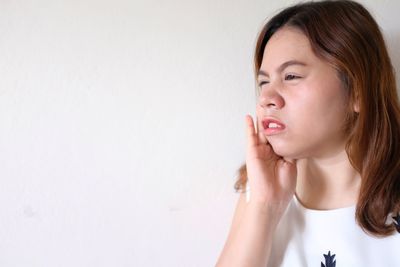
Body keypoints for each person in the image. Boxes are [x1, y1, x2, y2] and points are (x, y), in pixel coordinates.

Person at [216, 1, 400, 266]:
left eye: (291, 76)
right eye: (264, 82)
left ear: (358, 91)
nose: (267, 98)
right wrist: (265, 207)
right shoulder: (257, 189)